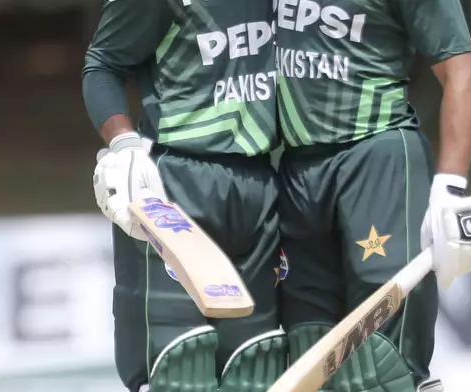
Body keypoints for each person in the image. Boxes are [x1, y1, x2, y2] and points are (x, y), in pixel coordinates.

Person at [274, 0, 471, 390]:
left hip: (377, 158)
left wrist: (449, 187)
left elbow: (461, 70)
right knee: (309, 352)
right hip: (298, 168)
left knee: (383, 364)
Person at [82, 0, 285, 390]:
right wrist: (124, 143)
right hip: (173, 188)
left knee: (255, 369)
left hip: (258, 186)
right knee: (174, 370)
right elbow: (102, 66)